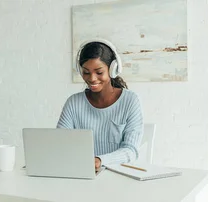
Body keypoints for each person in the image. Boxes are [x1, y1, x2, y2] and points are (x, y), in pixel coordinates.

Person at [57, 39, 144, 171]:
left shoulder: (130, 101)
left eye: (99, 72)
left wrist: (100, 161)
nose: (92, 78)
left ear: (113, 69)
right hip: (82, 176)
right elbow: (60, 144)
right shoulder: (73, 103)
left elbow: (131, 150)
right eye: (86, 72)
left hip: (118, 177)